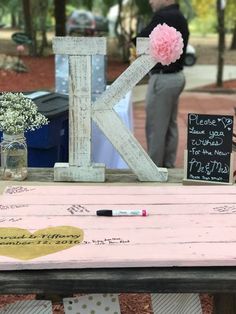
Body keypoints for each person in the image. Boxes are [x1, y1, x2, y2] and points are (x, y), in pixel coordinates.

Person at [134, 0, 189, 168]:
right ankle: (168, 166)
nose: (150, 1)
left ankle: (154, 169)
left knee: (156, 127)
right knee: (170, 125)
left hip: (163, 79)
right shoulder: (179, 16)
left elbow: (141, 39)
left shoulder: (164, 16)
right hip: (177, 77)